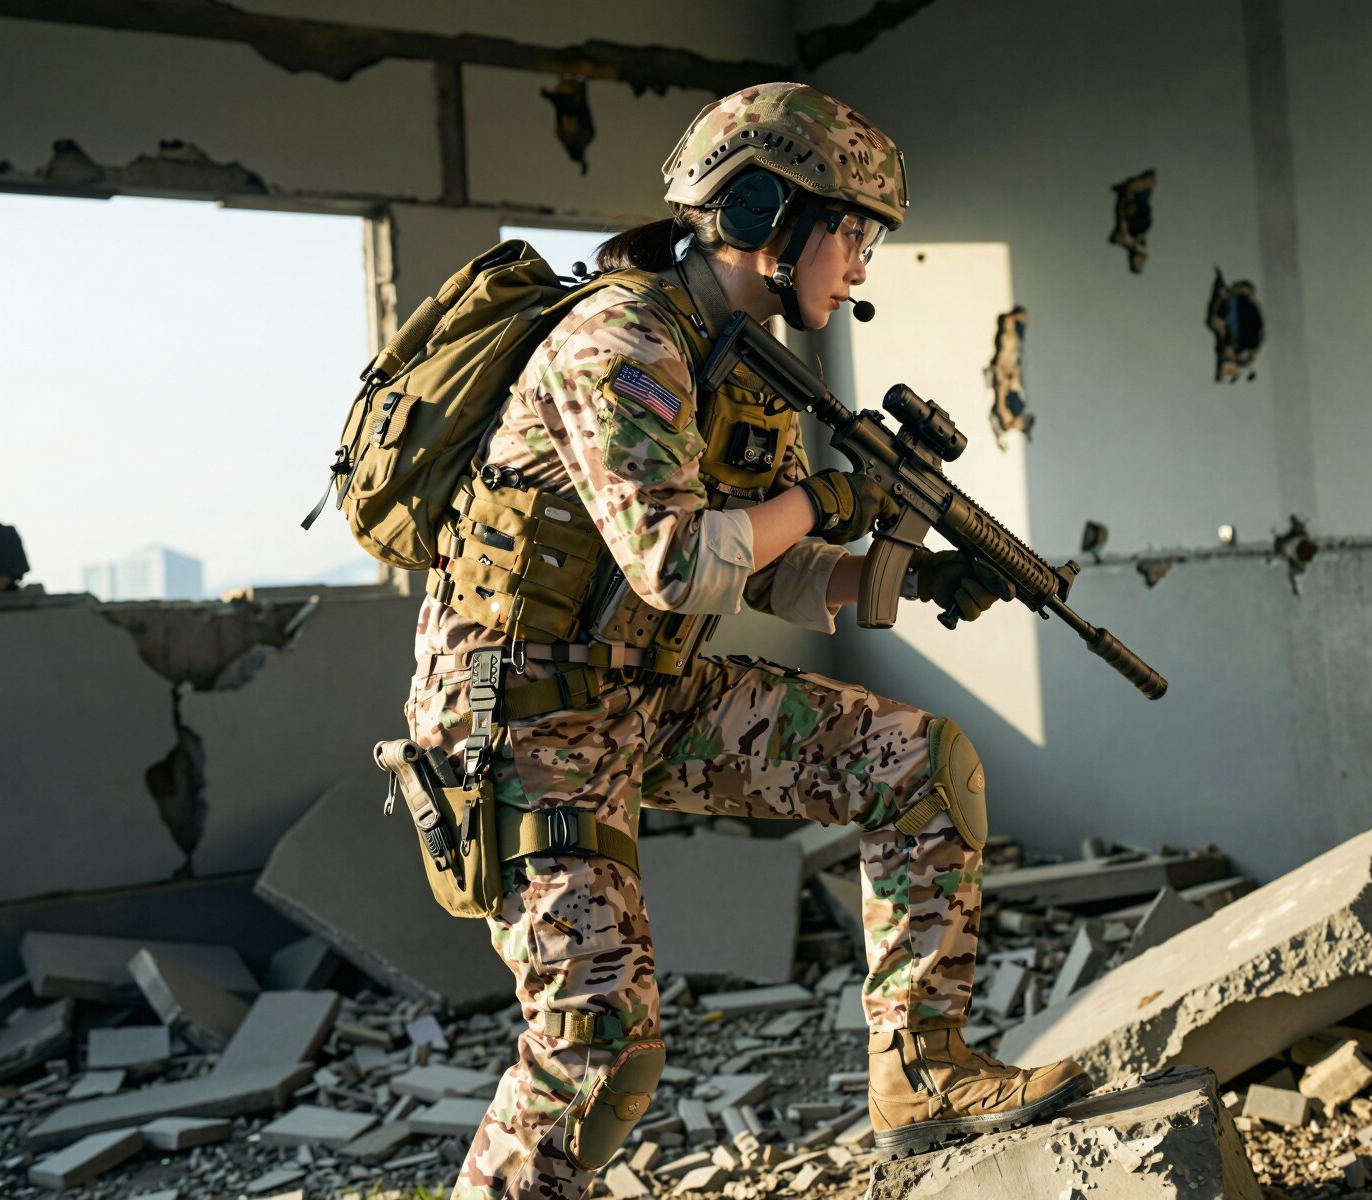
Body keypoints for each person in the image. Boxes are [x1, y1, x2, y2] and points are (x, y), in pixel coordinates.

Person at [404, 82, 1090, 1200]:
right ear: (767, 212)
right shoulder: (619, 342)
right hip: (525, 719)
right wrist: (828, 498)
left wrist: (903, 575)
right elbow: (677, 564)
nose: (859, 265)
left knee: (920, 769)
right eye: (852, 232)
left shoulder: (743, 361)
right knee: (598, 1055)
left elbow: (763, 566)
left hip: (647, 690)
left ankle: (921, 1074)